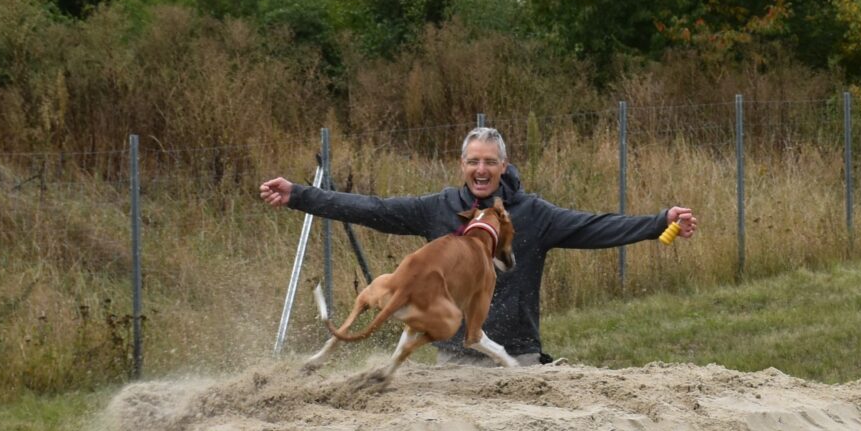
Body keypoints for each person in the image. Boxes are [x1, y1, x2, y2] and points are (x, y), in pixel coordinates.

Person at [258, 126, 697, 366]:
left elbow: (596, 227)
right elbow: (372, 207)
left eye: (490, 161)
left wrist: (660, 222)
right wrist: (301, 195)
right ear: (462, 166)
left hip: (517, 356)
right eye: (474, 161)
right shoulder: (439, 209)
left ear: (503, 166)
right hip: (453, 360)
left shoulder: (533, 214)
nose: (481, 169)